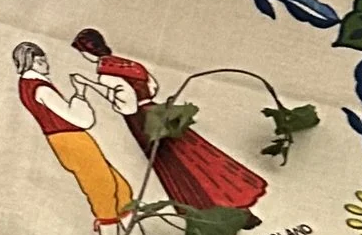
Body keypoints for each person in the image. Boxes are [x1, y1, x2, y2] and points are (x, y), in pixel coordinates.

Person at [12, 38, 173, 235]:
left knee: (121, 190)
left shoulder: (33, 85)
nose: (46, 63)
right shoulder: (39, 88)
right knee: (104, 197)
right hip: (71, 141)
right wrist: (80, 94)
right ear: (29, 62)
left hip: (73, 141)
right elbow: (77, 118)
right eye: (40, 60)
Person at [70, 29, 268, 222]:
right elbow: (153, 87)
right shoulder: (131, 64)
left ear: (87, 52)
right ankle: (240, 206)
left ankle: (208, 213)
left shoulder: (105, 73)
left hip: (142, 121)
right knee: (197, 157)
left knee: (176, 165)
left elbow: (127, 105)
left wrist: (89, 85)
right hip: (157, 112)